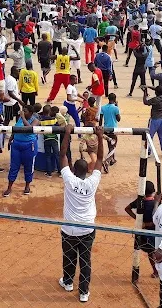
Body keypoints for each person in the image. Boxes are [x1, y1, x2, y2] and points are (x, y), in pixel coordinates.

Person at [57, 125, 103, 303]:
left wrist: (67, 133)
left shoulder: (68, 179)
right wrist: (99, 136)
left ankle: (68, 282)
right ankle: (83, 292)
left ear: (74, 171)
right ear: (87, 171)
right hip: (87, 229)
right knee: (85, 261)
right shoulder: (93, 181)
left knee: (68, 257)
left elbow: (62, 155)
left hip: (69, 229)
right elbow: (99, 158)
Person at [124, 181, 161, 279]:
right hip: (154, 232)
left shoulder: (140, 201)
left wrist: (138, 220)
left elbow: (127, 208)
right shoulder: (156, 204)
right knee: (155, 251)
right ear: (153, 191)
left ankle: (156, 271)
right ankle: (158, 271)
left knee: (150, 252)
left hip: (142, 231)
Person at [3, 104, 40, 197]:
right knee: (14, 167)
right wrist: (10, 139)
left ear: (31, 113)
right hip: (16, 145)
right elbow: (15, 129)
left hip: (29, 146)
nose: (22, 112)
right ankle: (9, 187)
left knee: (28, 167)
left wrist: (23, 118)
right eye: (22, 110)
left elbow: (29, 129)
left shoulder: (36, 120)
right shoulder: (20, 118)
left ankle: (27, 186)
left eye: (25, 111)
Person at [142, 85, 162, 159]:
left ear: (156, 92)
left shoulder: (155, 100)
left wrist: (145, 92)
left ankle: (148, 151)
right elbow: (159, 89)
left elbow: (145, 102)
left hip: (155, 120)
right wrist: (149, 86)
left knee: (149, 136)